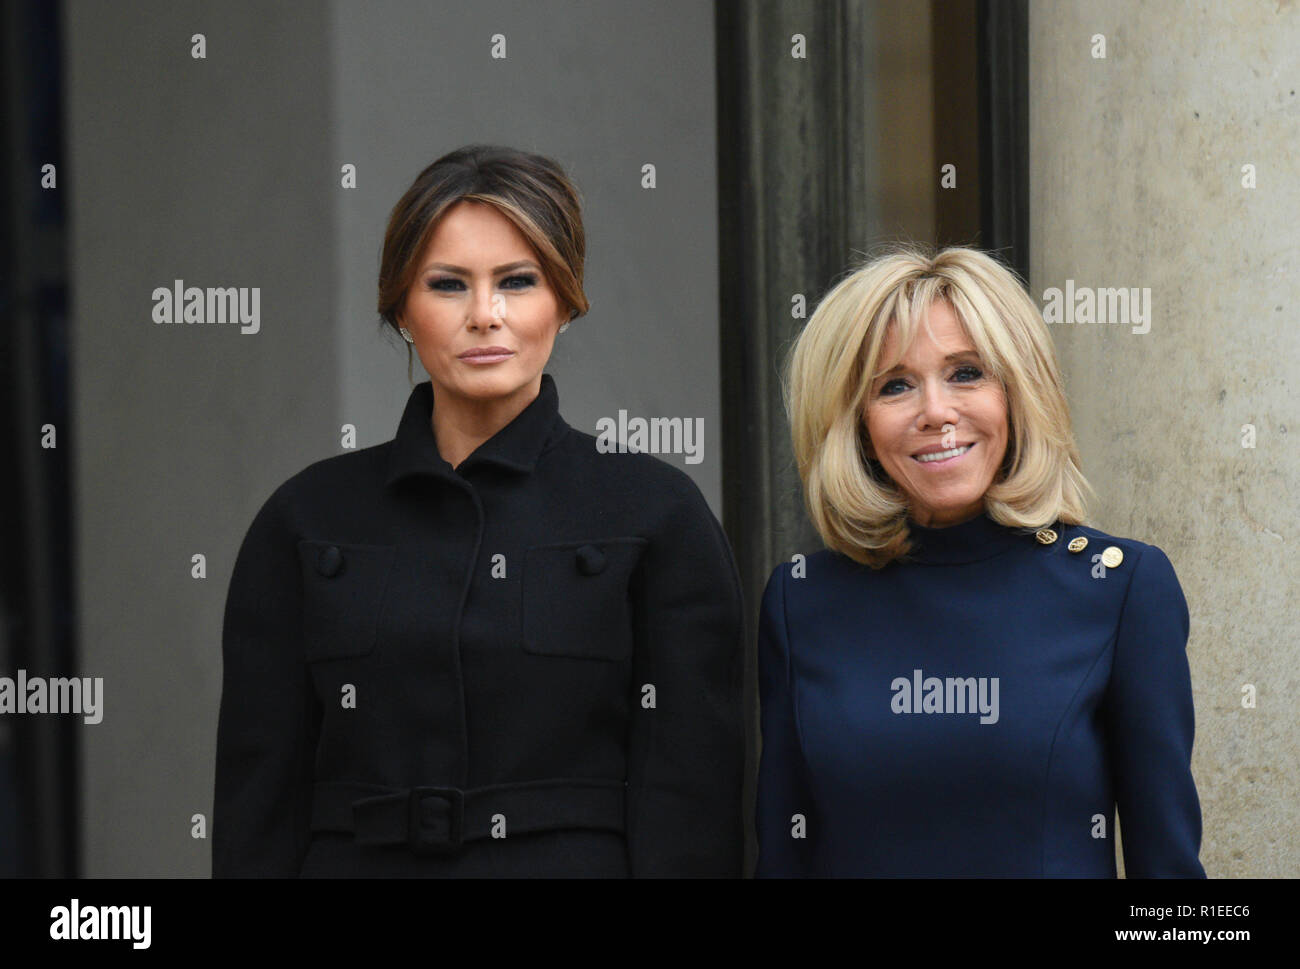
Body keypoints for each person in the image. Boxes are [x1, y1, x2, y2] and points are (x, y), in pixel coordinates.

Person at [213, 145, 745, 877]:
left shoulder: (657, 514)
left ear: (565, 299)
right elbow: (257, 806)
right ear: (402, 306)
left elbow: (693, 802)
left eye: (517, 282)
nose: (485, 315)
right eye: (449, 284)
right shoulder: (304, 519)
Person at [755, 244, 1205, 877]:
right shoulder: (800, 601)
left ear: (1019, 394)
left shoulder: (1120, 587)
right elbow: (783, 859)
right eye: (895, 386)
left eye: (967, 373)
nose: (936, 411)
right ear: (855, 424)